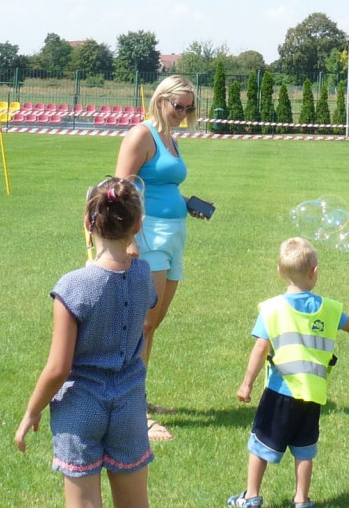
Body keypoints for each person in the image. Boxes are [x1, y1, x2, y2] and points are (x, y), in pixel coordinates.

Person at [14, 177, 155, 508]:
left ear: (87, 223)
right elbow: (128, 275)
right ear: (137, 224)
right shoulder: (144, 274)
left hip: (81, 407)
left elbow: (58, 368)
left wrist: (32, 411)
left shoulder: (73, 286)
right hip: (129, 405)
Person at [230, 238, 349, 508]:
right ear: (314, 272)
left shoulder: (271, 308)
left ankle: (250, 497)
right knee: (305, 450)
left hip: (279, 391)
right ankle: (301, 500)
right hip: (312, 394)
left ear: (279, 271)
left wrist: (246, 384)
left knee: (260, 444)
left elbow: (260, 348)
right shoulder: (329, 309)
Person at [115, 74, 207, 441]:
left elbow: (159, 186)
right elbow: (121, 189)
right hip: (148, 237)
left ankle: (136, 397)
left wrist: (187, 203)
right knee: (141, 324)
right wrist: (130, 238)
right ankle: (131, 410)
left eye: (189, 108)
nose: (183, 113)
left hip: (173, 236)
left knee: (152, 324)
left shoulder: (171, 137)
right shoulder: (142, 134)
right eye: (177, 106)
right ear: (160, 100)